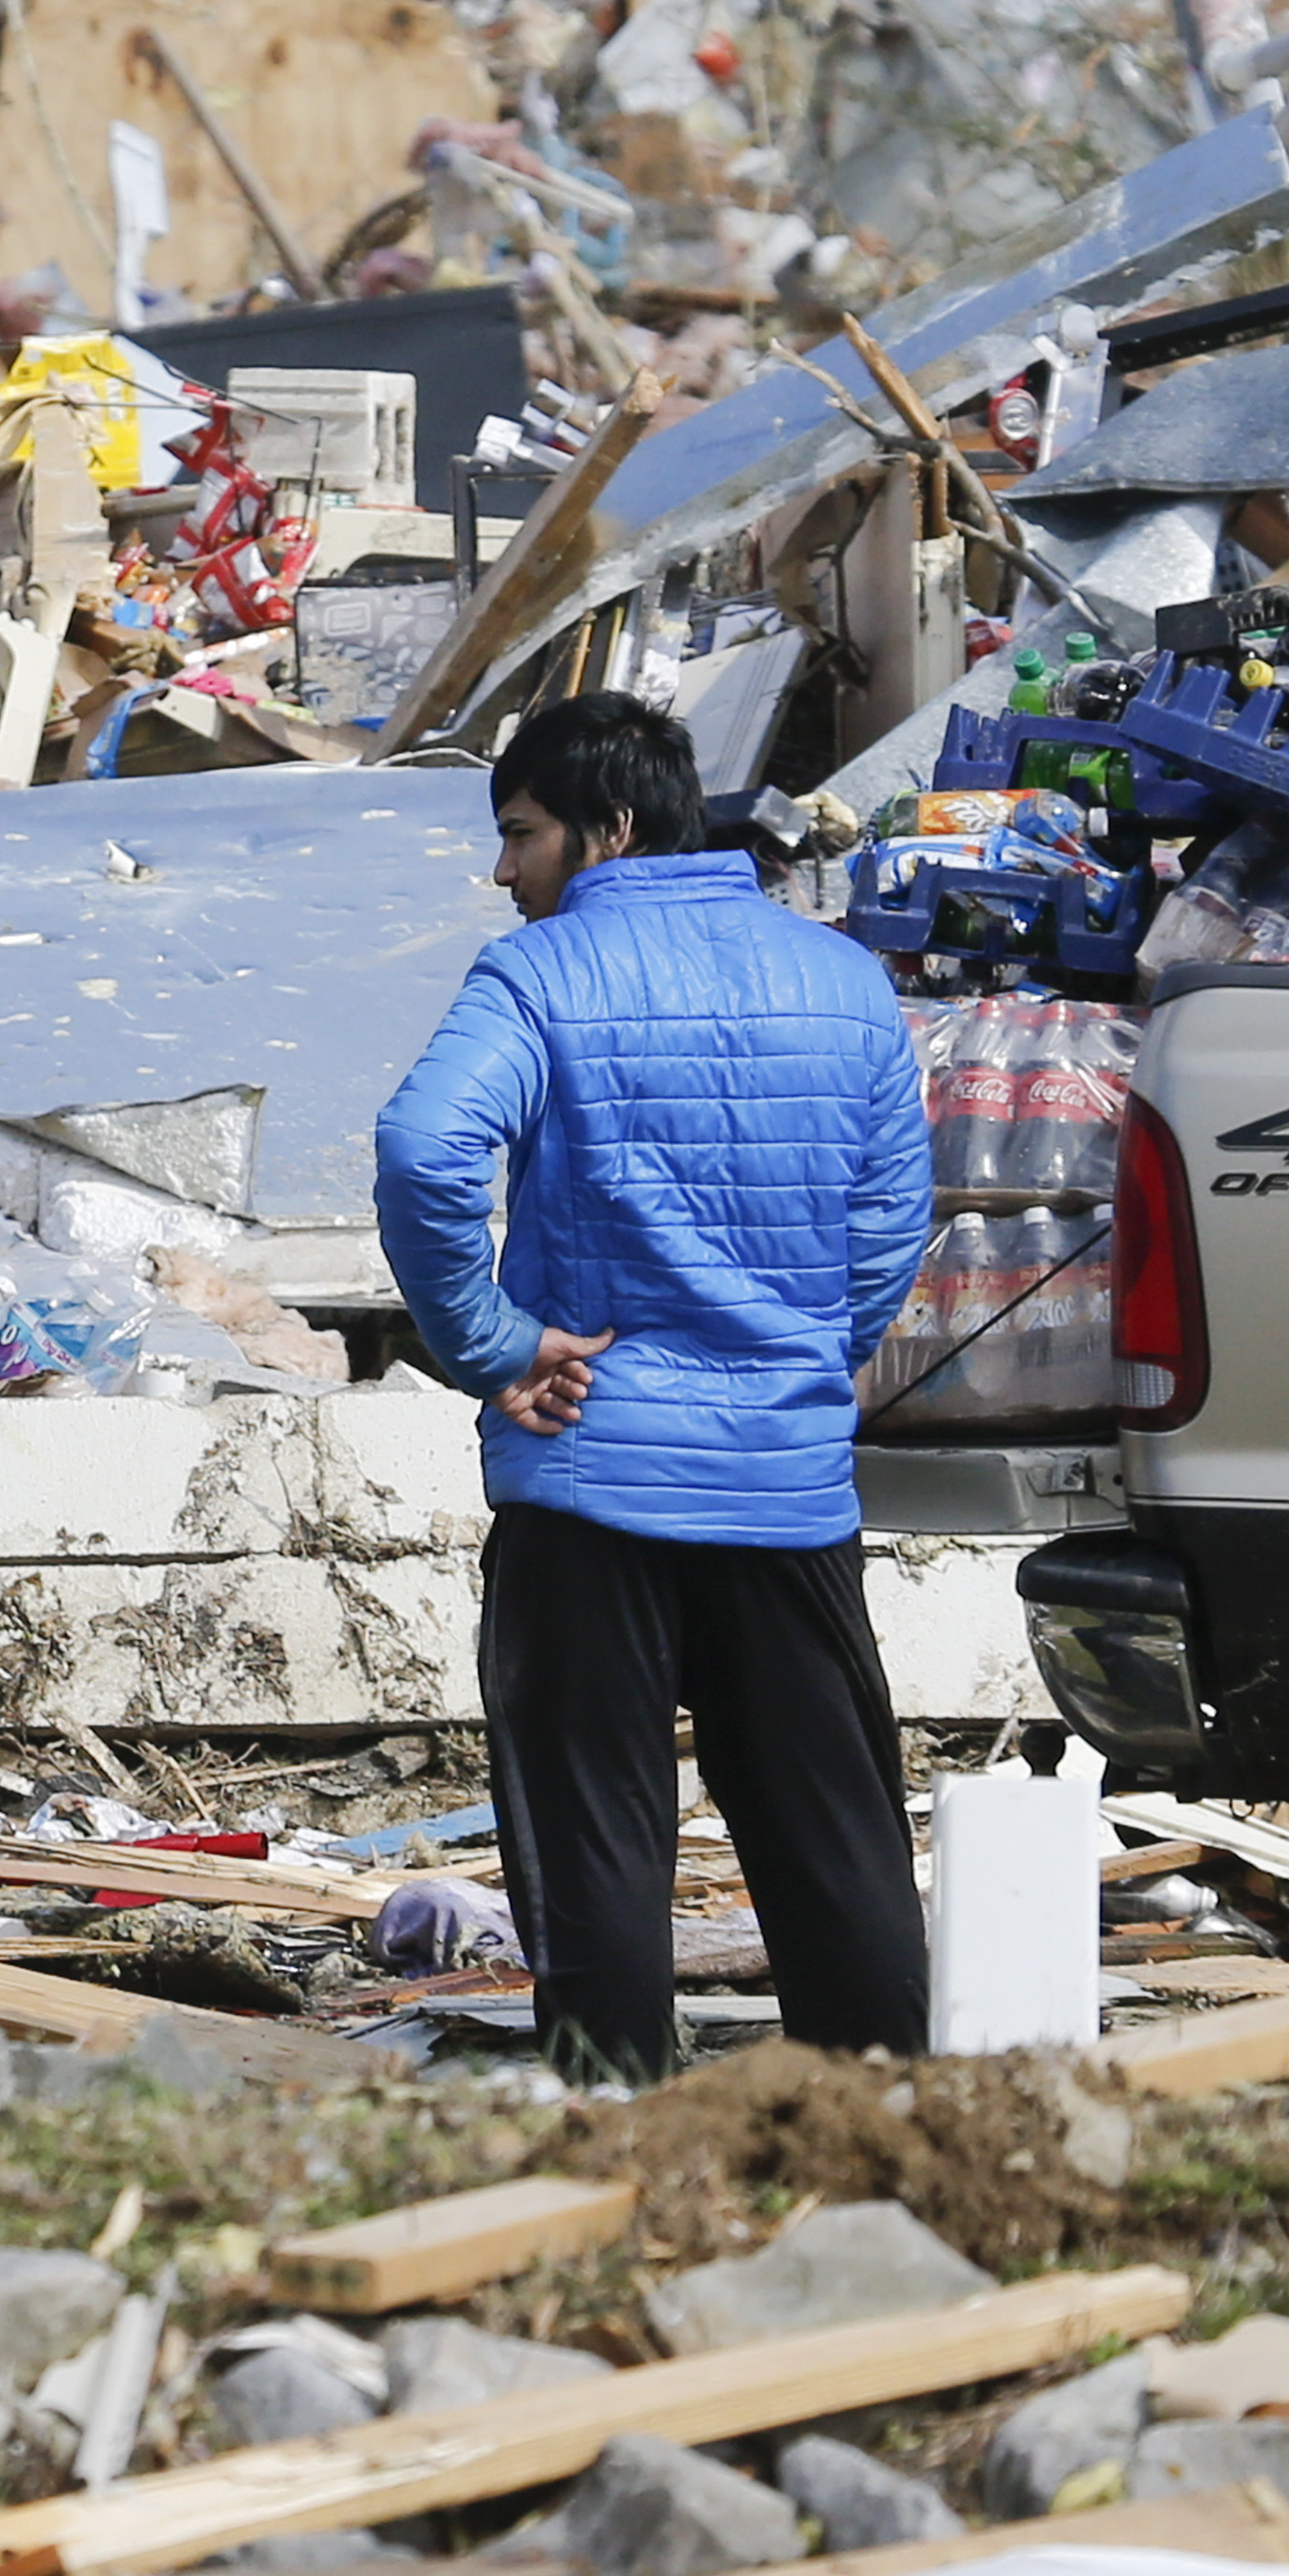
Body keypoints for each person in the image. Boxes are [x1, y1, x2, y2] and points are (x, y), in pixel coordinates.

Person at [370, 689, 937, 2080]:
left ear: (609, 830)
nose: (504, 870)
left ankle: (619, 2124)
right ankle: (883, 2120)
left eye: (521, 834)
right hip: (785, 1490)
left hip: (591, 1484)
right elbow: (890, 1226)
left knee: (596, 1840)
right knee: (835, 1835)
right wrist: (799, 1366)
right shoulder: (844, 980)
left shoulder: (539, 977)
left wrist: (495, 1346)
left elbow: (426, 1150)